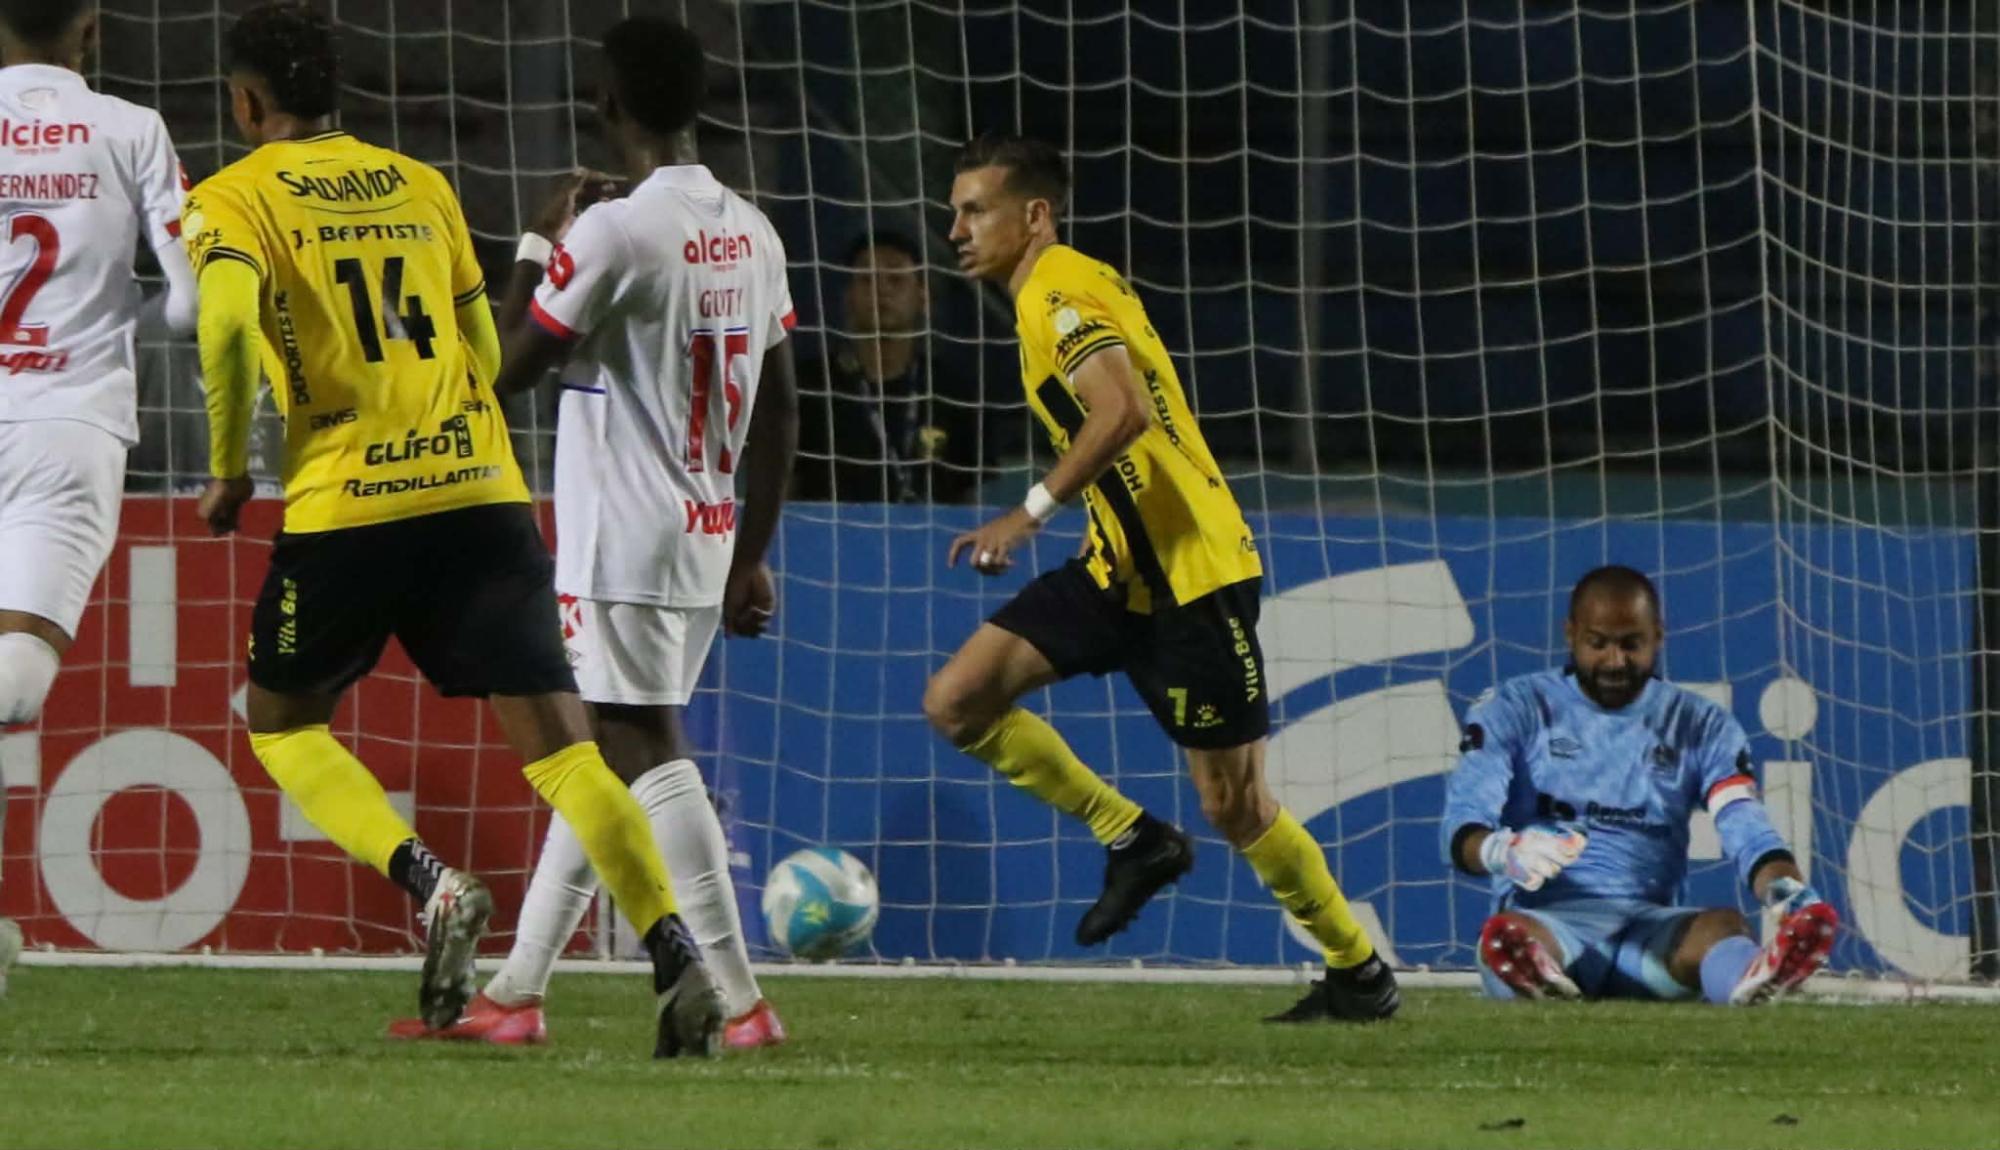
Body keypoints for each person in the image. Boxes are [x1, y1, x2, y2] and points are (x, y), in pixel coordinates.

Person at [187, 1, 721, 1057]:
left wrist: (225, 467)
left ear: (246, 102)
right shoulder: (421, 186)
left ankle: (431, 885)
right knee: (568, 752)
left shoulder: (232, 198)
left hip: (347, 500)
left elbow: (226, 321)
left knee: (282, 720)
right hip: (480, 489)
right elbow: (483, 352)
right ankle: (675, 953)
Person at [384, 15, 798, 1050]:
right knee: (596, 759)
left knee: (639, 750)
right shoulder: (751, 228)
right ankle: (518, 991)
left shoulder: (612, 232)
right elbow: (781, 405)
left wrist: (537, 243)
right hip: (704, 529)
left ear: (605, 105)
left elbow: (506, 370)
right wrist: (751, 549)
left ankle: (742, 1001)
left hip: (621, 536)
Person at [924, 133, 1399, 1023]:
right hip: (1119, 567)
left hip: (1191, 570)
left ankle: (1358, 971)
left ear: (1034, 215)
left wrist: (1026, 511)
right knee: (959, 699)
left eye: (974, 209)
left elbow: (1124, 411)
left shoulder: (1061, 289)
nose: (956, 228)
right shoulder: (1043, 296)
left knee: (1236, 805)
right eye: (954, 210)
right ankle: (1134, 838)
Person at [0, 0, 198, 994]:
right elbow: (192, 293)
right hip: (66, 426)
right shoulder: (130, 129)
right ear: (91, 28)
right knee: (18, 684)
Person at [1440, 565, 1839, 1003]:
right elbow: (1460, 829)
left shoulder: (1702, 724)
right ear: (1570, 634)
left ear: (1658, 636)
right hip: (1549, 922)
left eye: (1632, 644)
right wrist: (1502, 851)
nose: (1615, 661)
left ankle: (1754, 980)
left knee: (1724, 927)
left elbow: (1746, 826)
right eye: (1598, 644)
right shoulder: (1515, 707)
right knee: (1506, 937)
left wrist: (1787, 892)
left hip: (1650, 932)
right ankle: (1533, 972)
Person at [792, 230, 982, 503]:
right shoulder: (809, 387)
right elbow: (785, 492)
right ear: (848, 298)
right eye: (867, 280)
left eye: (896, 279)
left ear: (923, 297)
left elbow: (971, 502)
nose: (881, 290)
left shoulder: (953, 392)